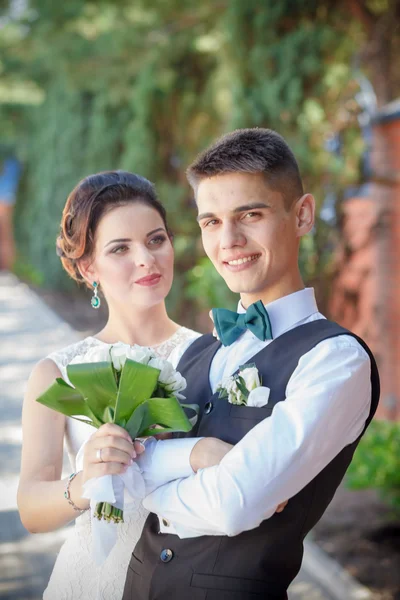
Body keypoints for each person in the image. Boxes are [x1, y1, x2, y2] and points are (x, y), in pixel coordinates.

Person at [123, 129, 380, 600]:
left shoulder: (336, 360)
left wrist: (142, 489)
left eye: (250, 215)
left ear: (301, 214)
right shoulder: (198, 352)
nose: (230, 240)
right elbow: (124, 466)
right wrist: (197, 457)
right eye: (211, 222)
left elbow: (232, 505)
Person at [17, 171, 235, 600]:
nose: (146, 259)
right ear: (88, 267)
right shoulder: (57, 372)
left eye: (156, 240)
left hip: (189, 581)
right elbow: (31, 508)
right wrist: (86, 481)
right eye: (121, 248)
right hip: (89, 581)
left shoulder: (216, 356)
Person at [0, 155, 21, 270]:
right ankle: (8, 266)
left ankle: (7, 266)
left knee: (5, 235)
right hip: (7, 199)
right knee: (6, 235)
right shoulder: (11, 166)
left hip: (5, 199)